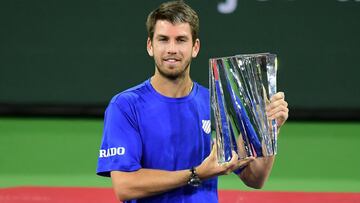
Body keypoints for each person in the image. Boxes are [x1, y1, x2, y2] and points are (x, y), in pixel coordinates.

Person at [96, 1, 289, 202]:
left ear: (195, 47)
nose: (171, 49)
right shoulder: (125, 105)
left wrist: (269, 129)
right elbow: (125, 186)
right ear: (150, 46)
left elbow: (254, 178)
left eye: (180, 40)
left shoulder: (214, 102)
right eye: (163, 39)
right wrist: (196, 173)